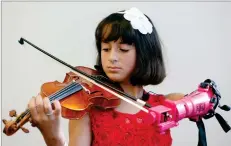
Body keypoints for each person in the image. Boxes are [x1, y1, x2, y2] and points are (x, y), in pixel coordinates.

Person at [28, 7, 185, 146]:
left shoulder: (164, 106)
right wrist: (53, 137)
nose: (112, 57)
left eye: (123, 49)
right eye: (105, 49)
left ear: (145, 54)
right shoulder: (88, 108)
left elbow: (199, 101)